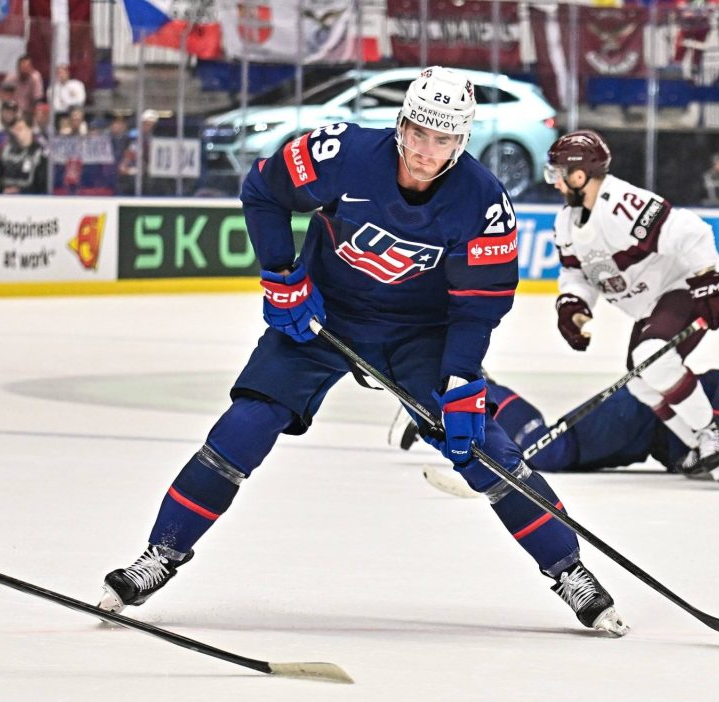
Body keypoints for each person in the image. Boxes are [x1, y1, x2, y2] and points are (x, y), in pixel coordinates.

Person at [97, 67, 629, 637]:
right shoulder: (339, 153)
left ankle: (569, 570)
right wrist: (281, 276)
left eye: (443, 139)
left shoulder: (483, 201)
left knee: (485, 450)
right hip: (323, 317)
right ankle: (162, 554)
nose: (427, 151)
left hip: (419, 335)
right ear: (402, 122)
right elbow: (263, 189)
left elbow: (478, 304)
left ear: (463, 139)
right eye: (420, 132)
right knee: (245, 424)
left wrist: (462, 382)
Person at [543, 130, 719, 481]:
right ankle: (715, 455)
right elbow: (575, 273)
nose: (553, 181)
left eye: (558, 173)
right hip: (650, 308)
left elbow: (691, 231)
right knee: (641, 382)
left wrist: (709, 281)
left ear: (580, 175)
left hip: (677, 290)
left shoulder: (620, 203)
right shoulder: (565, 223)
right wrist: (572, 304)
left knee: (654, 361)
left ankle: (711, 436)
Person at [390, 342, 719, 481]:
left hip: (642, 438)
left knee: (553, 455)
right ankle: (477, 389)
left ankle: (473, 397)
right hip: (636, 414)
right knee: (544, 453)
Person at [0, 117, 47, 194]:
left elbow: (42, 182)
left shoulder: (39, 153)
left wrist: (22, 191)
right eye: (15, 129)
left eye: (20, 129)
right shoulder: (6, 150)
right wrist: (3, 189)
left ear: (29, 130)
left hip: (30, 198)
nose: (16, 132)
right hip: (5, 196)